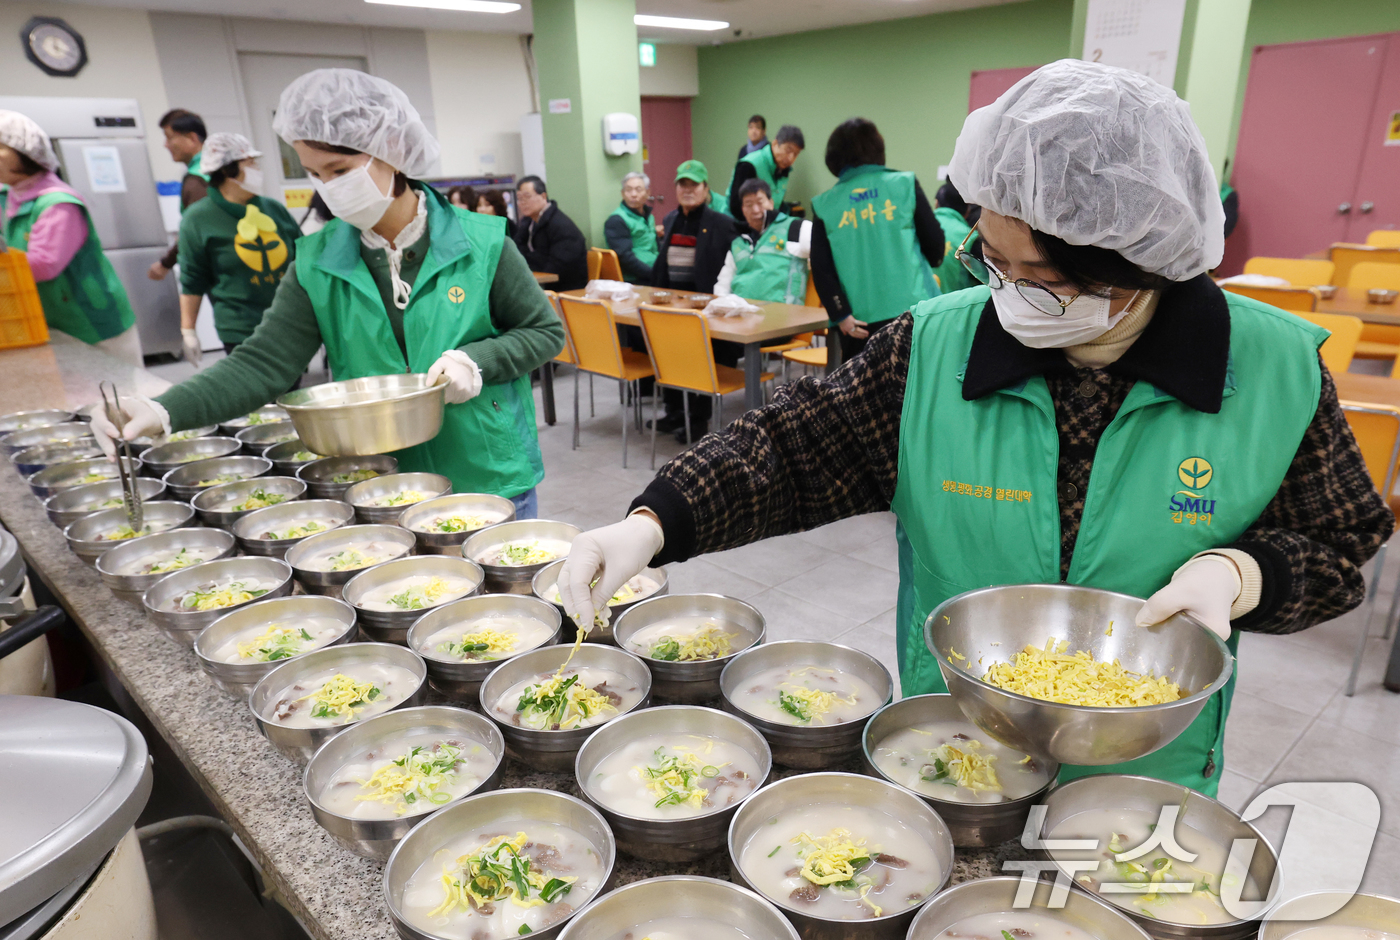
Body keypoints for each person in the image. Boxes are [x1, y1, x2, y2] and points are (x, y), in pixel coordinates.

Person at [555, 60, 1394, 798]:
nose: (1010, 294)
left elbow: (1340, 539)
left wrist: (1243, 574)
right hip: (955, 743)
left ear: (1143, 264)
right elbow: (794, 446)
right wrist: (652, 522)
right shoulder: (936, 345)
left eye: (1043, 276)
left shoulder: (1274, 369)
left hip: (1144, 772)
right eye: (994, 261)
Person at [91, 69, 564, 519]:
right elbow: (262, 363)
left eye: (339, 170)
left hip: (487, 472)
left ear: (392, 150)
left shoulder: (482, 243)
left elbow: (544, 332)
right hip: (387, 481)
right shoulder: (317, 262)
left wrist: (475, 361)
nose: (327, 189)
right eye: (314, 173)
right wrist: (163, 408)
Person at [0, 111, 142, 366]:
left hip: (91, 320)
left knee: (119, 399)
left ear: (26, 153)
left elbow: (45, 264)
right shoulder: (9, 197)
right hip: (50, 318)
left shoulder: (58, 203)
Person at [809, 117, 944, 360]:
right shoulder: (904, 184)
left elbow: (821, 268)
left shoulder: (824, 205)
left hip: (858, 324)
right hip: (915, 314)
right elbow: (936, 250)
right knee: (917, 391)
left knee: (865, 395)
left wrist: (841, 315)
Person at [175, 133, 302, 365]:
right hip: (241, 328)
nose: (257, 169)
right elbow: (193, 279)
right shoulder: (199, 218)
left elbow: (302, 257)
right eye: (250, 163)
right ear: (227, 171)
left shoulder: (272, 209)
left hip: (289, 322)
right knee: (258, 395)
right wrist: (189, 331)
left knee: (292, 391)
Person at [650, 159, 740, 443]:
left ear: (706, 189)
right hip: (672, 304)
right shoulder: (671, 220)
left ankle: (698, 419)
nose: (688, 190)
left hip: (703, 307)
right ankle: (674, 410)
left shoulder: (722, 224)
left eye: (694, 185)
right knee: (668, 352)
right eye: (683, 184)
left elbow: (732, 266)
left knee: (698, 357)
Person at [715, 178, 810, 304]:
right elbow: (723, 286)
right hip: (741, 317)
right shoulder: (738, 243)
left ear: (771, 203)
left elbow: (826, 255)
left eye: (760, 202)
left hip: (783, 317)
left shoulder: (796, 228)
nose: (755, 210)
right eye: (749, 205)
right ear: (743, 209)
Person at [149, 109, 210, 280]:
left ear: (192, 138)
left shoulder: (198, 179)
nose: (165, 145)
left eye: (170, 137)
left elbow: (194, 229)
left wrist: (166, 263)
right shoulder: (217, 167)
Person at [513, 176, 587, 291]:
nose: (522, 202)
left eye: (527, 197)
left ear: (543, 196)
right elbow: (516, 252)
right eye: (519, 198)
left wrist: (530, 259)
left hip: (565, 289)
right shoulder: (528, 222)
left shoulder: (561, 226)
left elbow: (555, 268)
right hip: (541, 285)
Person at [728, 124, 804, 219]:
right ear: (775, 144)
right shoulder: (749, 165)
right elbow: (737, 207)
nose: (791, 158)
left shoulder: (783, 170)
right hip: (739, 225)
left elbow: (775, 203)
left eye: (796, 154)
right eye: (788, 150)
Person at [604, 171, 659, 284]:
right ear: (623, 194)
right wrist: (654, 275)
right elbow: (625, 258)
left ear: (647, 193)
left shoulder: (649, 217)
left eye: (638, 190)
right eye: (628, 190)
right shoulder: (617, 220)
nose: (633, 194)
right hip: (636, 279)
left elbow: (657, 247)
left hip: (655, 270)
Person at [930, 181, 980, 294]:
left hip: (916, 308)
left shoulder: (916, 228)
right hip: (955, 308)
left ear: (936, 203)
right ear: (968, 210)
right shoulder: (970, 238)